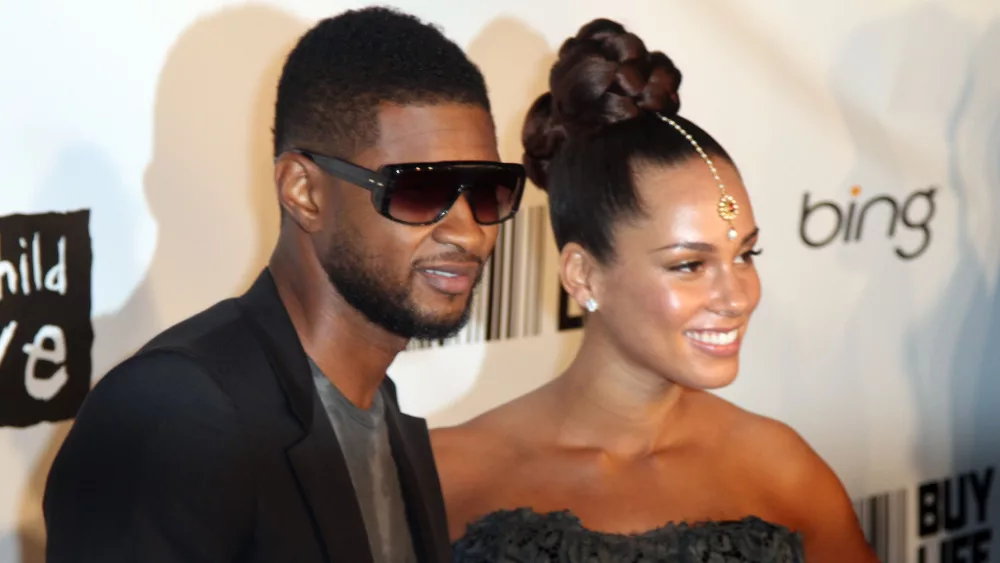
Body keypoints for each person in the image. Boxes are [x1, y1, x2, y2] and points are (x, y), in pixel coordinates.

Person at [43, 7, 525, 563]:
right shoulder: (171, 416)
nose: (469, 232)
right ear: (303, 191)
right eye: (420, 192)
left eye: (488, 192)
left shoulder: (385, 414)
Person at [432, 18, 878, 563]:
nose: (737, 297)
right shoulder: (449, 475)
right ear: (583, 275)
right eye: (690, 265)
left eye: (745, 255)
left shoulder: (784, 469)